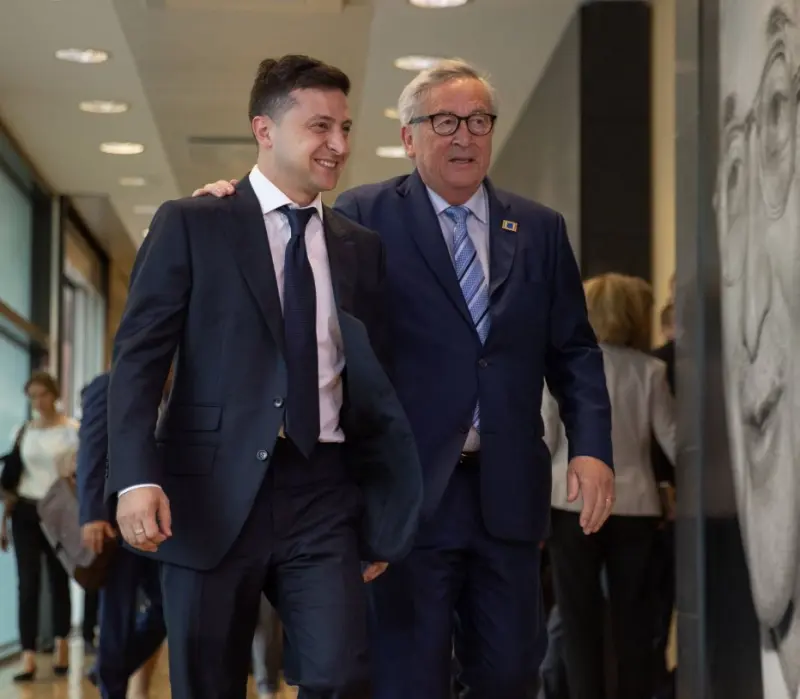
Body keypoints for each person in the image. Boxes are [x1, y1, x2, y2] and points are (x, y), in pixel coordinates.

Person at [195, 58, 614, 699]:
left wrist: (591, 446)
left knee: (510, 673)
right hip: (408, 494)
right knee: (407, 678)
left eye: (479, 121)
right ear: (408, 137)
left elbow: (575, 350)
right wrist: (229, 207)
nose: (464, 136)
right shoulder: (363, 216)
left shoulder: (538, 229)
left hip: (508, 491)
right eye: (444, 121)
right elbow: (287, 257)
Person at [106, 54, 422, 699]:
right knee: (208, 681)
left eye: (344, 128)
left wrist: (378, 507)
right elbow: (139, 360)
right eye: (319, 127)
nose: (338, 145)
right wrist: (136, 477)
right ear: (264, 129)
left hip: (323, 490)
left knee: (341, 674)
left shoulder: (359, 248)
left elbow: (372, 385)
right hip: (207, 491)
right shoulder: (194, 222)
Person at [544, 274, 675, 699]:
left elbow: (545, 439)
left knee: (577, 620)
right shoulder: (651, 371)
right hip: (635, 506)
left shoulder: (561, 368)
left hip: (571, 504)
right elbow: (677, 442)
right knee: (633, 620)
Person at [77, 371, 167, 699]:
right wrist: (92, 513)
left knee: (166, 609)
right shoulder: (109, 384)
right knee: (117, 615)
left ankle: (107, 671)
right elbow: (92, 447)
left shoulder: (179, 389)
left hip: (164, 524)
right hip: (117, 521)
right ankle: (111, 688)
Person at [0, 371, 77, 682]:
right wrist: (3, 521)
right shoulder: (22, 432)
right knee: (27, 584)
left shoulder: (72, 430)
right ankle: (28, 656)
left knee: (59, 579)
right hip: (25, 512)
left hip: (59, 513)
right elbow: (12, 480)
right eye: (32, 396)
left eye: (43, 394)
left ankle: (61, 648)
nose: (38, 401)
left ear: (54, 394)